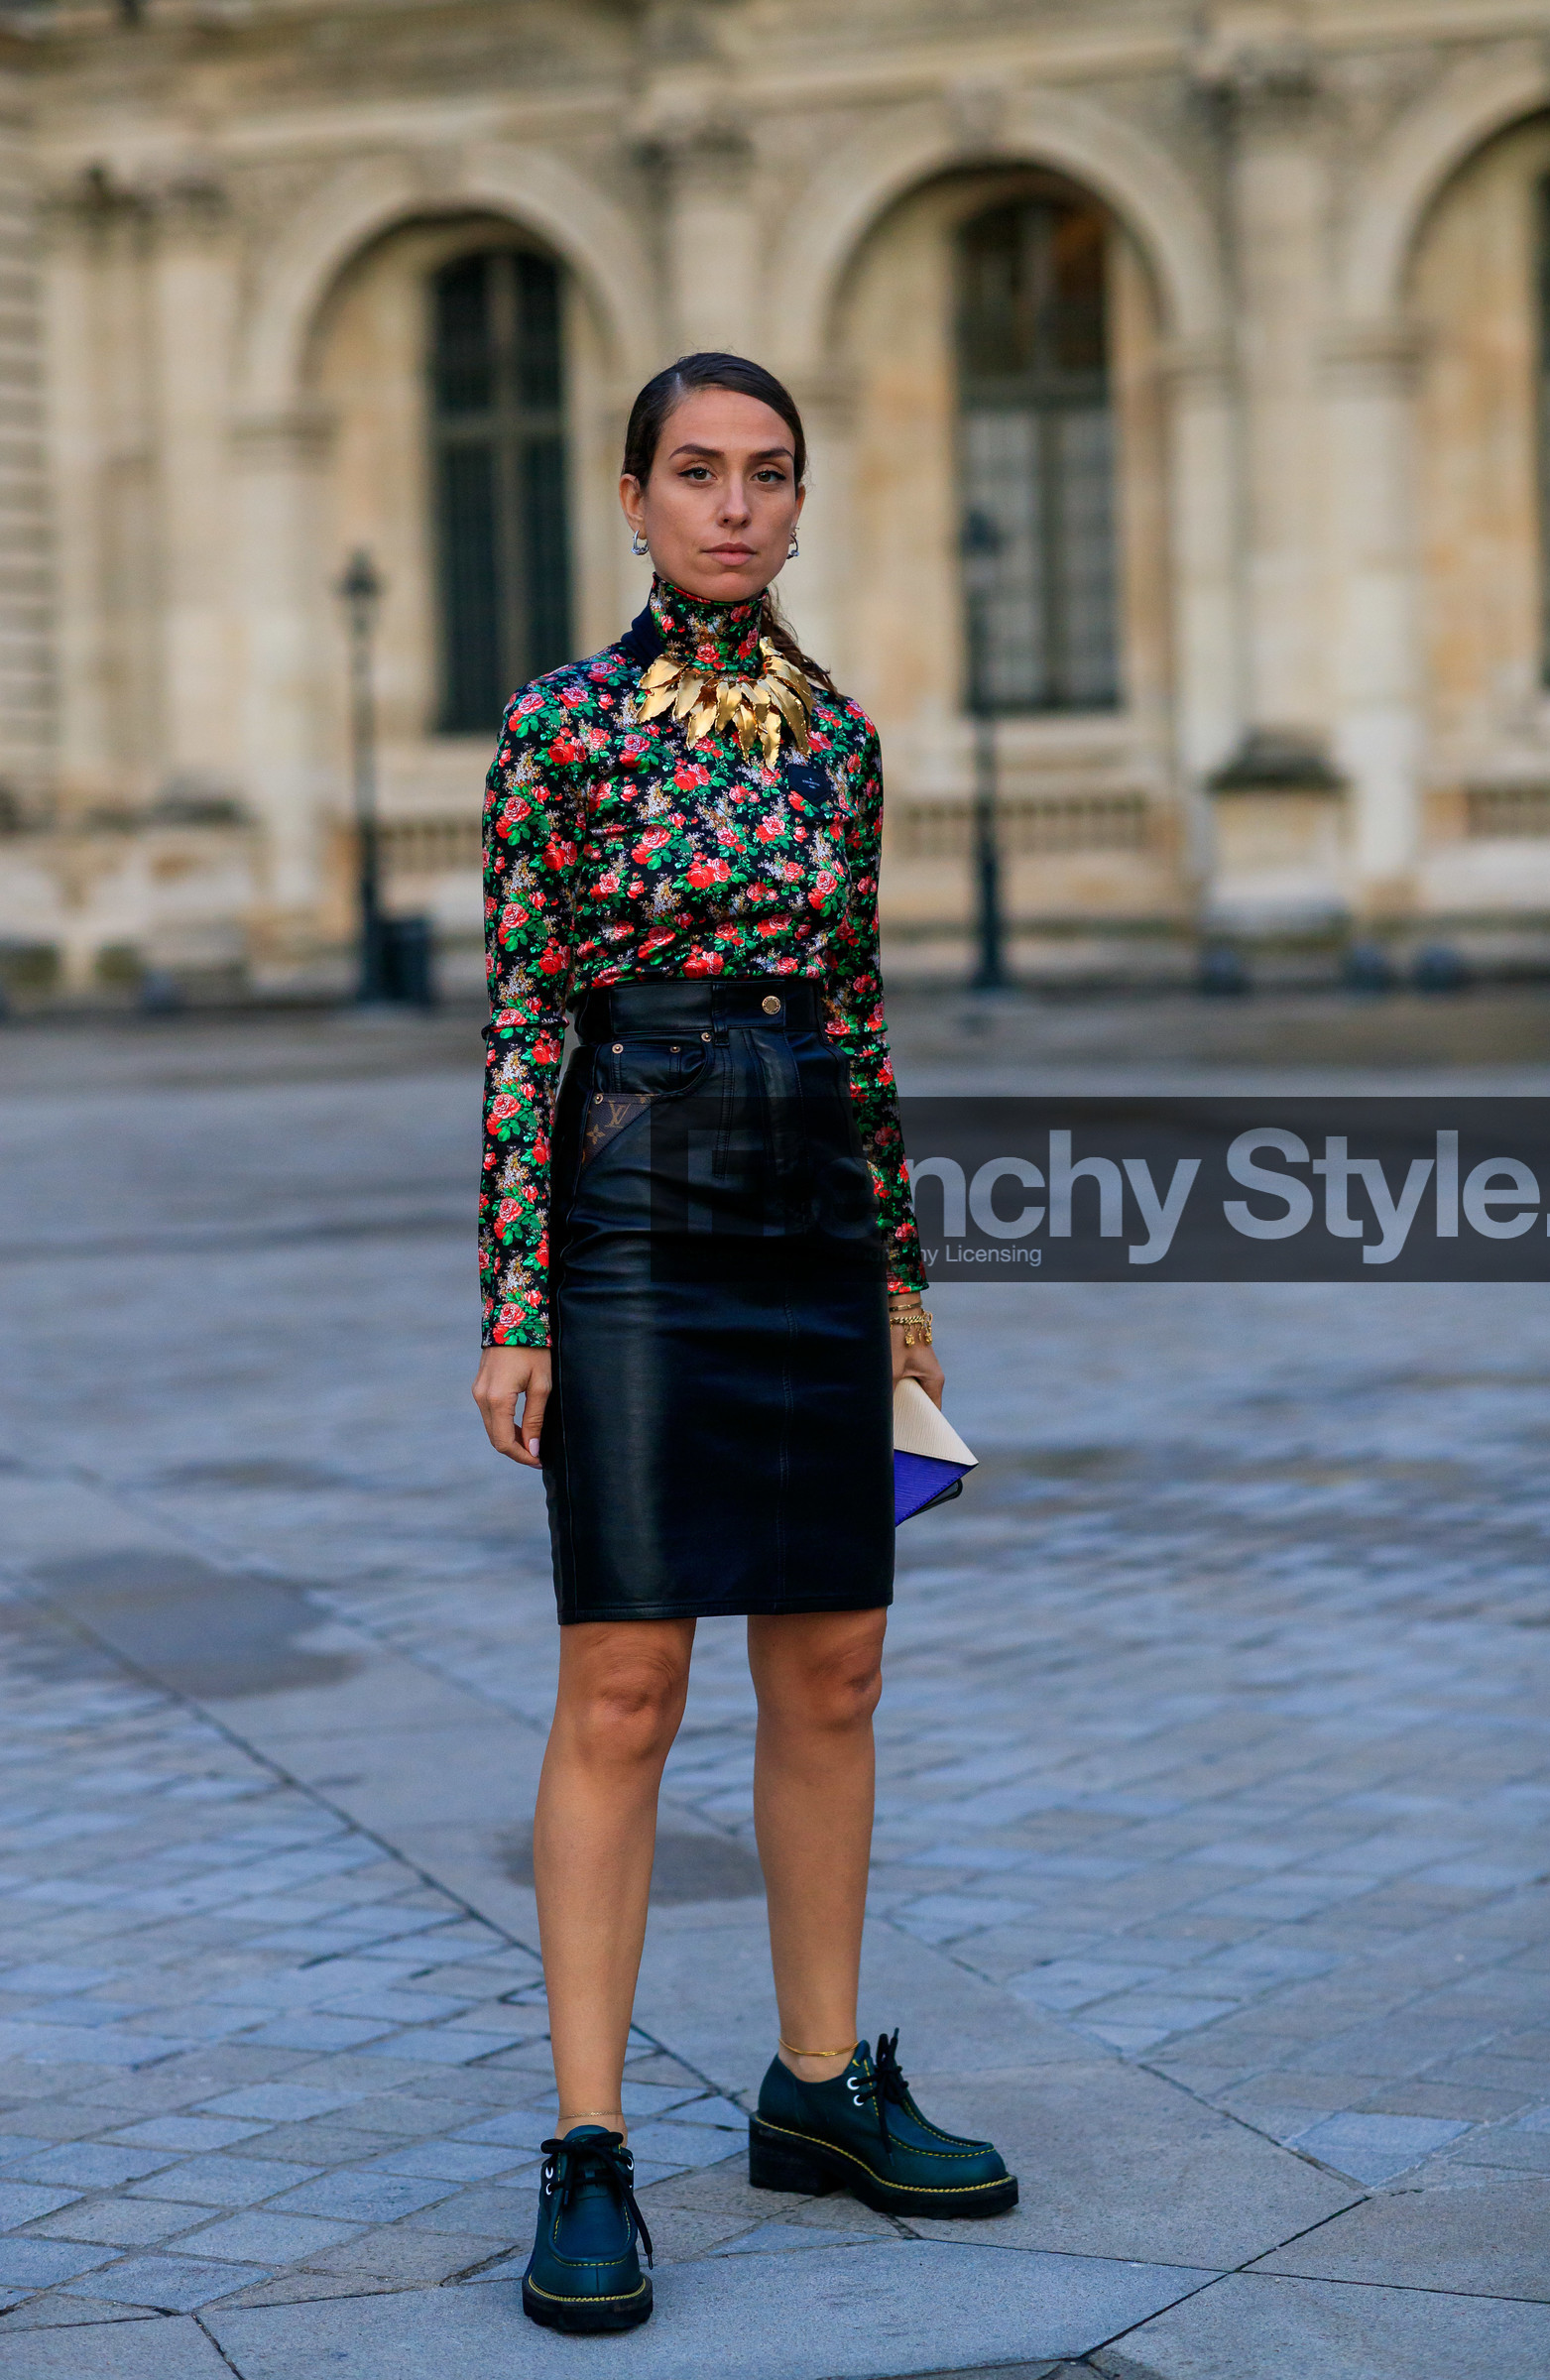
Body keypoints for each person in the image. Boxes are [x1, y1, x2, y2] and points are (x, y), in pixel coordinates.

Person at [472, 352, 1015, 2333]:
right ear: (629, 494)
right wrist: (515, 1300)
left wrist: (901, 1285)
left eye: (765, 475)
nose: (730, 505)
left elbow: (859, 1022)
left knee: (838, 1665)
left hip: (808, 1213)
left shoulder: (842, 740)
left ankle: (816, 2091)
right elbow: (528, 1018)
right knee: (623, 1681)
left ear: (798, 503)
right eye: (694, 472)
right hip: (623, 1213)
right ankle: (591, 2148)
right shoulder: (557, 730)